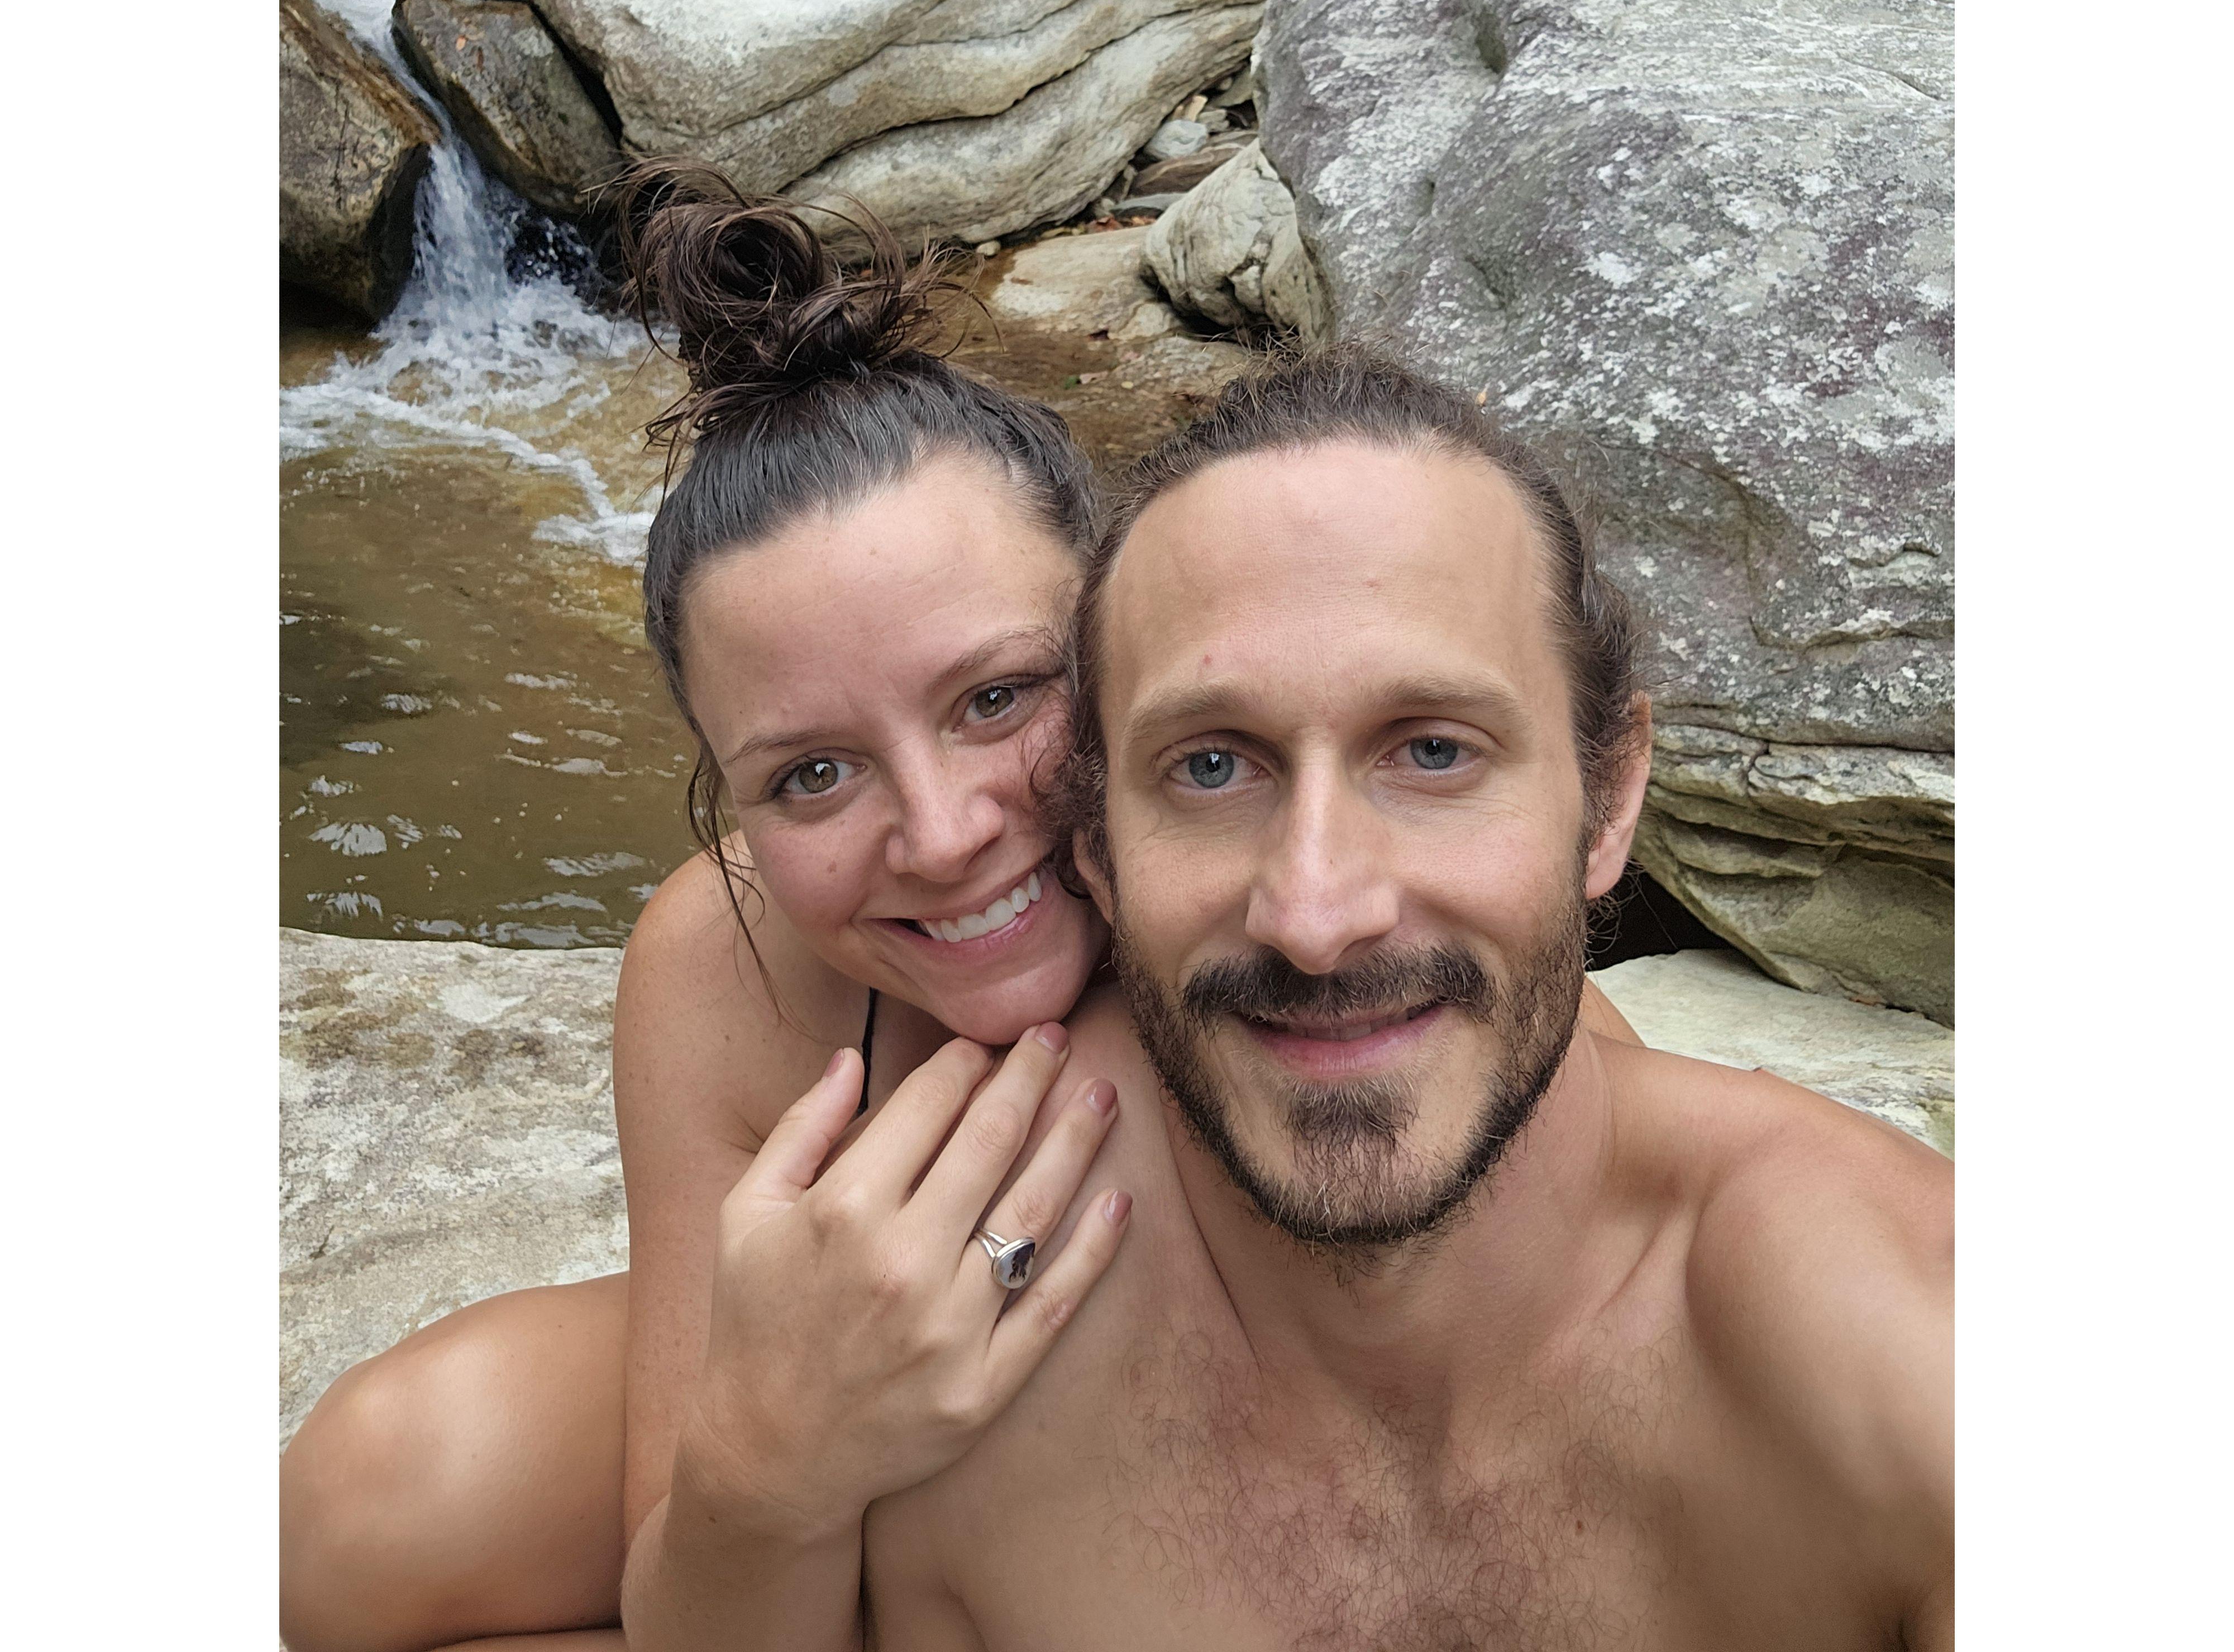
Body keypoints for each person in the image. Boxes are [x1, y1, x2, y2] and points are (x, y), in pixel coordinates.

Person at [276, 180, 1654, 1652]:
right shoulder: (724, 967)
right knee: (364, 1513)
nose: (942, 838)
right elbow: (692, 1565)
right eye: (812, 775)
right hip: (860, 1419)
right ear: (731, 806)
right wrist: (774, 1468)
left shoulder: (1320, 929)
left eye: (998, 698)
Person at [629, 348, 1954, 1651]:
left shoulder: (1888, 1347)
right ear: (1103, 821)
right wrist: (761, 1467)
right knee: (424, 1475)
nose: (1317, 915)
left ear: (1608, 794)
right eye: (1211, 764)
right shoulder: (956, 1375)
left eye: (1432, 748)